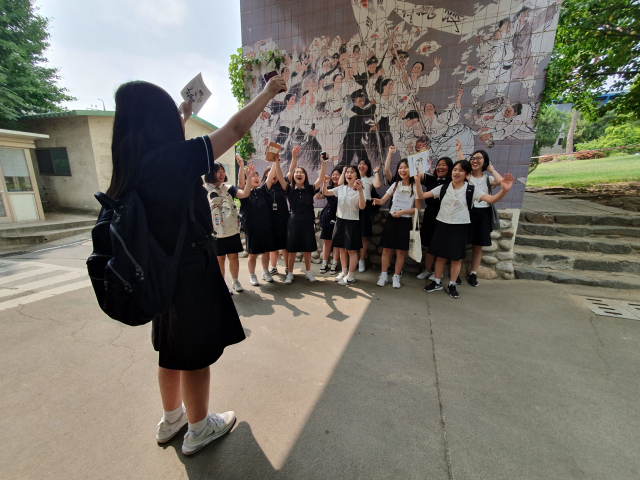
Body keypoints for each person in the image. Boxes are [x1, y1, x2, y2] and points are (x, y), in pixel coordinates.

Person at [108, 75, 286, 456]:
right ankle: (199, 427)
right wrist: (268, 93)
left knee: (170, 348)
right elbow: (236, 128)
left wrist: (182, 118)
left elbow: (165, 168)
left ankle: (172, 418)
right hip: (189, 266)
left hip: (157, 268)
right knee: (193, 353)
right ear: (159, 120)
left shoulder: (130, 161)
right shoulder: (177, 159)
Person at [417, 161, 513, 299]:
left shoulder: (471, 190)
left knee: (456, 258)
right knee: (440, 256)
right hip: (442, 225)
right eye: (455, 170)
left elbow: (491, 199)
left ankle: (452, 284)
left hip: (460, 227)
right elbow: (421, 196)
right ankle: (436, 282)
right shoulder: (443, 188)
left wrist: (504, 190)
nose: (456, 172)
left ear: (467, 174)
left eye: (461, 171)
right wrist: (417, 182)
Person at [275, 145, 328, 284]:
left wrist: (323, 163)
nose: (298, 173)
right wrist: (276, 162)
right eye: (296, 172)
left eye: (301, 172)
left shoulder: (310, 189)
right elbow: (280, 177)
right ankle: (290, 273)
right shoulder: (289, 189)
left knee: (307, 249)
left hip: (306, 221)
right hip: (292, 221)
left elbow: (321, 178)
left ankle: (308, 272)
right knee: (291, 249)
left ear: (305, 176)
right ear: (293, 176)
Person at [372, 158, 421, 289]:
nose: (402, 170)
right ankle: (383, 275)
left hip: (404, 222)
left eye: (405, 167)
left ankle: (396, 276)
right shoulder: (395, 185)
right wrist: (377, 201)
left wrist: (402, 212)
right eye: (400, 167)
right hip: (392, 220)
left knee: (400, 252)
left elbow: (417, 209)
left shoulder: (415, 186)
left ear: (411, 170)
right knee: (386, 250)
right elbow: (383, 201)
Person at [204, 154, 246, 293]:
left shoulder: (228, 188)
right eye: (219, 171)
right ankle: (222, 285)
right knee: (219, 259)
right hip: (215, 232)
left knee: (233, 256)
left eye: (223, 171)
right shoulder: (205, 191)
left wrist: (242, 168)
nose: (222, 174)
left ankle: (235, 281)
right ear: (211, 173)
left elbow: (243, 191)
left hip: (231, 230)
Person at [322, 165, 366, 285]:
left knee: (351, 251)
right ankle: (344, 272)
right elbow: (325, 192)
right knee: (341, 248)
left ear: (357, 176)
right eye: (347, 172)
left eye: (352, 172)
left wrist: (361, 190)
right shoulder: (341, 188)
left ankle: (351, 276)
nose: (348, 174)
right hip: (340, 220)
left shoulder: (361, 189)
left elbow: (362, 206)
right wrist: (325, 182)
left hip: (352, 222)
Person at [467, 148, 503, 287]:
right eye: (473, 158)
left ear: (485, 161)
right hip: (469, 212)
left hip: (483, 214)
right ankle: (455, 273)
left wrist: (491, 169)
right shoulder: (467, 177)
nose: (475, 161)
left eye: (479, 158)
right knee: (462, 243)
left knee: (478, 246)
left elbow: (501, 182)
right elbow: (460, 164)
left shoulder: (488, 179)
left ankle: (473, 273)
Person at [236, 163, 278, 286]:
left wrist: (275, 161)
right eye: (252, 176)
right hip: (252, 228)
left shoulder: (262, 190)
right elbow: (241, 183)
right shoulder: (244, 193)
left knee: (266, 252)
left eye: (257, 175)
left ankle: (265, 271)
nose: (256, 177)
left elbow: (270, 177)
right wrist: (242, 167)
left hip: (265, 226)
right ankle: (252, 275)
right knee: (253, 254)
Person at [339, 159, 382, 272]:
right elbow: (339, 184)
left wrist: (376, 172)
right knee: (349, 235)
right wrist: (344, 172)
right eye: (360, 164)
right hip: (351, 208)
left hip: (364, 207)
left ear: (368, 167)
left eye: (364, 164)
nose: (361, 166)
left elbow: (377, 185)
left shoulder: (370, 178)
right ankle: (348, 264)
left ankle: (361, 260)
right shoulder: (351, 177)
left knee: (363, 235)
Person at [416, 155, 454, 280]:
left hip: (444, 216)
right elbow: (418, 176)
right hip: (430, 215)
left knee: (440, 244)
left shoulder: (452, 182)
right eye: (439, 164)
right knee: (428, 244)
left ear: (450, 168)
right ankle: (427, 269)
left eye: (444, 165)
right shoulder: (431, 179)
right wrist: (422, 165)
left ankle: (438, 271)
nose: (441, 167)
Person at [260, 162, 290, 277]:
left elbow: (290, 171)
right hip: (269, 220)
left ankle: (288, 268)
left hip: (283, 219)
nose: (274, 176)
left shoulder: (282, 187)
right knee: (272, 246)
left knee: (285, 245)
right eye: (270, 174)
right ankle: (272, 267)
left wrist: (293, 157)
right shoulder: (264, 188)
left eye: (275, 174)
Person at [316, 165, 342, 275]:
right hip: (327, 216)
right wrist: (323, 183)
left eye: (337, 175)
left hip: (339, 216)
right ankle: (324, 263)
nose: (335, 176)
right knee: (327, 241)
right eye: (333, 175)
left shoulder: (344, 188)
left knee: (336, 242)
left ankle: (334, 264)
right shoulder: (328, 188)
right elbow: (317, 196)